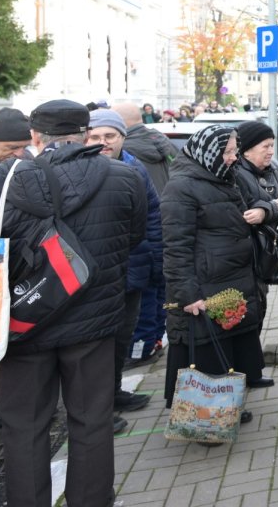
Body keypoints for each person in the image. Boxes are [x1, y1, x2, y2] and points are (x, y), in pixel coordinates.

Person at [0, 99, 146, 507]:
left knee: (23, 427)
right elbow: (133, 238)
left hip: (21, 324)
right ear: (84, 131)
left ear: (35, 136)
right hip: (93, 321)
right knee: (92, 422)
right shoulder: (124, 177)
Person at [160, 124, 264, 427]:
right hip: (204, 288)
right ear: (208, 152)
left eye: (234, 151)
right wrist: (188, 295)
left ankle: (225, 408)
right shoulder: (181, 187)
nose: (233, 157)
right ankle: (205, 421)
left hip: (230, 282)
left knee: (228, 353)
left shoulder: (223, 177)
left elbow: (254, 202)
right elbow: (175, 247)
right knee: (206, 355)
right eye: (228, 151)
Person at [85, 109, 162, 415]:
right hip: (93, 276)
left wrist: (156, 265)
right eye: (95, 136)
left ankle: (115, 393)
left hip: (131, 268)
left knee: (122, 337)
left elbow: (153, 217)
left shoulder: (135, 168)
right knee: (95, 345)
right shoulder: (80, 169)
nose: (102, 142)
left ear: (122, 138)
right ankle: (98, 410)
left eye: (109, 136)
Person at [233, 120, 278, 390]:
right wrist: (274, 205)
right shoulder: (236, 173)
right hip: (244, 253)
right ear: (247, 150)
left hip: (267, 250)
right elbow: (246, 212)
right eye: (265, 146)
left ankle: (251, 369)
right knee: (248, 312)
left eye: (272, 145)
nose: (270, 151)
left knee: (259, 308)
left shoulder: (273, 170)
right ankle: (243, 373)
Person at [115, 102, 176, 365]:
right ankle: (154, 340)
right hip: (168, 224)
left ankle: (141, 349)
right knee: (159, 290)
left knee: (145, 295)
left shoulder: (126, 155)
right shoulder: (162, 142)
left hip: (141, 229)